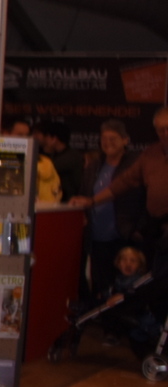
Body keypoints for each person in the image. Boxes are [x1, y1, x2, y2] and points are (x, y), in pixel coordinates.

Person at [71, 105, 168, 260]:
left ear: (125, 140)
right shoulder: (150, 154)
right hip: (157, 231)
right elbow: (124, 182)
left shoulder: (133, 158)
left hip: (132, 233)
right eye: (160, 129)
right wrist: (92, 201)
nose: (165, 133)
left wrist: (138, 228)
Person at [75, 119, 142, 296]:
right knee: (100, 285)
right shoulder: (94, 165)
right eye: (104, 139)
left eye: (113, 138)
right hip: (97, 236)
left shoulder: (135, 164)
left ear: (125, 140)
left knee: (125, 285)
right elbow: (84, 194)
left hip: (124, 235)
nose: (107, 143)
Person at [34, 119, 84, 202]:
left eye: (47, 137)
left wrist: (46, 150)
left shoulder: (71, 156)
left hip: (69, 201)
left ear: (54, 139)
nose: (45, 140)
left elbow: (46, 170)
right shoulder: (57, 154)